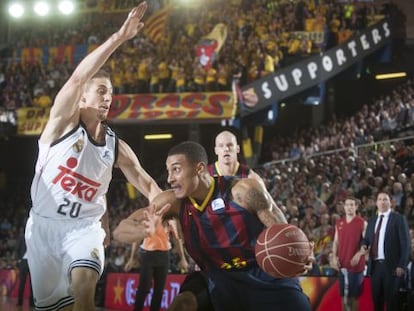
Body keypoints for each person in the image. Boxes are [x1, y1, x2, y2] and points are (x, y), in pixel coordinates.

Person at [25, 3, 162, 310]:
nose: (108, 97)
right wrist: (119, 37)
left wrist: (172, 207)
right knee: (51, 306)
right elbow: (76, 78)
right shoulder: (60, 124)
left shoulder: (116, 147)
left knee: (84, 287)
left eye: (110, 93)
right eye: (101, 90)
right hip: (43, 228)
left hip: (84, 229)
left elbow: (149, 184)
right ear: (83, 96)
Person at [113, 141, 312, 311]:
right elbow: (120, 230)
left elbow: (282, 230)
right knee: (184, 303)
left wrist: (297, 254)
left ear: (199, 168)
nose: (169, 178)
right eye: (168, 171)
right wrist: (141, 230)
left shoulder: (243, 191)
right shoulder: (172, 202)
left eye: (176, 169)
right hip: (217, 278)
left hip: (263, 273)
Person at [360, 191, 410, 311]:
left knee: (392, 303)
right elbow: (366, 240)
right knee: (377, 302)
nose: (382, 202)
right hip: (375, 267)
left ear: (391, 202)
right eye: (380, 199)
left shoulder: (398, 219)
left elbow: (406, 244)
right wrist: (363, 246)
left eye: (385, 199)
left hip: (392, 267)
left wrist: (402, 265)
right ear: (376, 203)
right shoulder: (372, 221)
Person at [124, 219, 188, 311]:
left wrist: (183, 258)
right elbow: (138, 237)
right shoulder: (147, 216)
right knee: (144, 287)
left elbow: (176, 239)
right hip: (148, 254)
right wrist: (131, 258)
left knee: (159, 291)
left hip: (164, 255)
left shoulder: (170, 218)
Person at [330, 196, 367, 311]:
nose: (349, 207)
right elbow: (335, 242)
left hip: (356, 266)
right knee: (343, 297)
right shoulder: (339, 222)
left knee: (354, 297)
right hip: (342, 264)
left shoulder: (362, 223)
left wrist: (359, 254)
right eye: (347, 205)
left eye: (352, 205)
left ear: (356, 207)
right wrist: (334, 257)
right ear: (344, 207)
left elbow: (367, 245)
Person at [15, 226, 34, 307]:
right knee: (22, 283)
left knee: (32, 284)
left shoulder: (34, 237)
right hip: (23, 261)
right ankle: (19, 302)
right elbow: (17, 249)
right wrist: (18, 259)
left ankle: (32, 303)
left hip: (32, 262)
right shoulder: (21, 237)